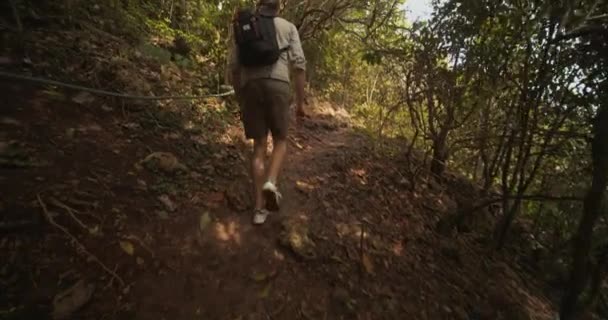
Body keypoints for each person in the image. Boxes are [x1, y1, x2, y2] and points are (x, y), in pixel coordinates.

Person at [228, 0, 307, 225]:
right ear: (278, 7)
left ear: (259, 5)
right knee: (281, 140)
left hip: (250, 86)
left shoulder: (246, 26)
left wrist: (240, 95)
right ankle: (271, 183)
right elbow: (299, 66)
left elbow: (235, 66)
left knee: (259, 147)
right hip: (279, 85)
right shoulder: (288, 27)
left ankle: (259, 210)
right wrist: (301, 103)